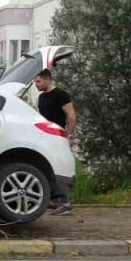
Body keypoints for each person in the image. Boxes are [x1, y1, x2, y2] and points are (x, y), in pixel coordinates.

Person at [34, 69, 77, 216]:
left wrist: (70, 135)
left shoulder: (60, 94)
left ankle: (65, 203)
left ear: (47, 79)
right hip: (46, 138)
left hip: (59, 136)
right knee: (48, 167)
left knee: (60, 168)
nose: (35, 84)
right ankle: (54, 199)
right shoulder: (41, 98)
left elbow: (71, 114)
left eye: (38, 81)